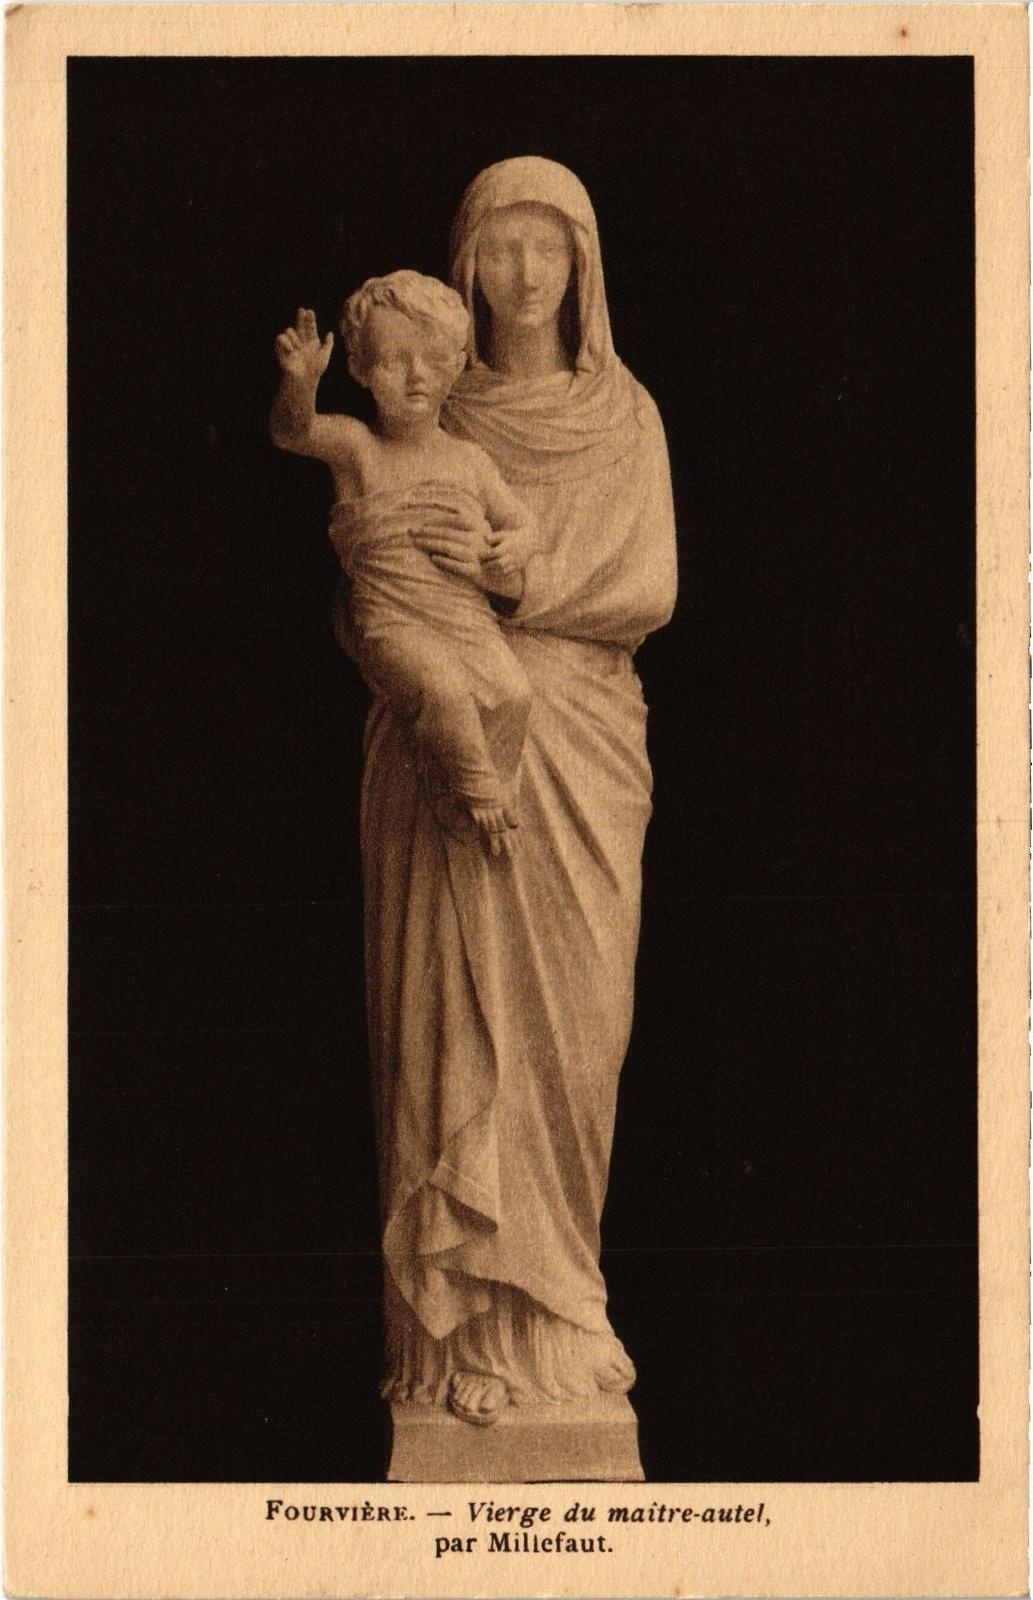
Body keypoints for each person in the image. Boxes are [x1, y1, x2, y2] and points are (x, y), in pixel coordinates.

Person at [346, 157, 678, 1429]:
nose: (525, 274)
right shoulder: (427, 402)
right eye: (500, 247)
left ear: (584, 264)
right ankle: (455, 1346)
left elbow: (648, 584)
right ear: (464, 264)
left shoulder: (626, 416)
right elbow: (362, 590)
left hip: (583, 746)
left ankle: (562, 1312)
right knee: (451, 1037)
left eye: (550, 247)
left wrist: (515, 581)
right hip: (447, 754)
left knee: (572, 1046)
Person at [270, 273, 538, 855]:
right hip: (391, 620)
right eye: (395, 360)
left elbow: (521, 522)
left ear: (456, 365)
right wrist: (300, 383)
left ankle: (466, 788)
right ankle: (479, 789)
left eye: (433, 359)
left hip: (464, 616)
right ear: (360, 368)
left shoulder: (469, 461)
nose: (416, 375)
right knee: (443, 686)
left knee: (514, 692)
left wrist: (516, 545)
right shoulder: (357, 447)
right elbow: (294, 433)